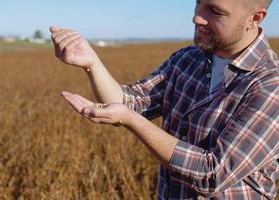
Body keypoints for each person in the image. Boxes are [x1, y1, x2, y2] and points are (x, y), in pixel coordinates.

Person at [50, 0, 278, 199]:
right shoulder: (187, 59)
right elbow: (131, 102)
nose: (197, 17)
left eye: (215, 11)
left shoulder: (271, 84)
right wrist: (92, 63)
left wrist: (131, 120)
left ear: (255, 18)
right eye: (198, 2)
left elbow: (212, 174)